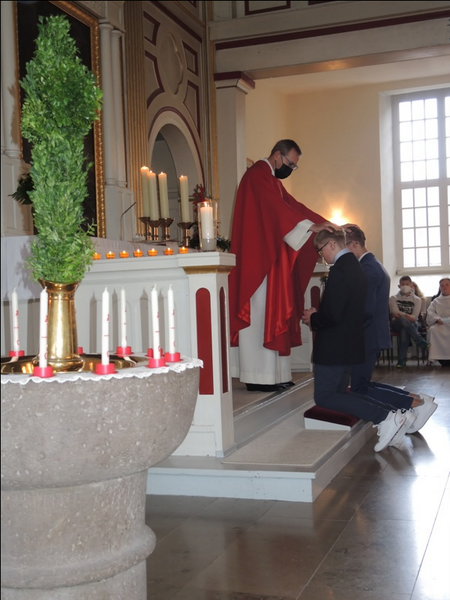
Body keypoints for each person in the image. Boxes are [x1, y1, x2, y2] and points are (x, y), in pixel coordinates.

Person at [229, 139, 339, 392]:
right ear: (277, 155)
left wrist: (325, 224)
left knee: (274, 314)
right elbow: (276, 209)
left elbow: (294, 207)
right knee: (259, 316)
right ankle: (257, 376)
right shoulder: (257, 175)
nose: (290, 169)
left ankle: (276, 374)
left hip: (271, 260)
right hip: (258, 260)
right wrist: (312, 226)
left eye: (294, 166)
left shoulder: (273, 181)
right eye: (290, 163)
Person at [302, 229, 416, 452]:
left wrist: (313, 317)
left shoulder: (340, 270)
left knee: (325, 396)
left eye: (321, 250)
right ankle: (393, 415)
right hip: (348, 344)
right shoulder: (356, 267)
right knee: (340, 393)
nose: (321, 256)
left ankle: (385, 416)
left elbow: (333, 314)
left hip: (334, 345)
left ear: (331, 244)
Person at [344, 226, 437, 429]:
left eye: (344, 248)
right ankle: (417, 399)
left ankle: (413, 406)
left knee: (359, 388)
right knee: (364, 384)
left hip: (366, 335)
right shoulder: (373, 264)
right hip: (371, 334)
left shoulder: (368, 269)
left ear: (354, 244)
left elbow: (365, 309)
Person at [389, 275, 430, 368]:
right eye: (402, 284)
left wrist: (402, 315)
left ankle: (401, 360)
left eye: (407, 284)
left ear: (411, 285)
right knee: (403, 320)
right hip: (396, 323)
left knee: (404, 330)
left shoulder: (417, 299)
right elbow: (394, 312)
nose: (405, 286)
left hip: (411, 323)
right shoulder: (393, 298)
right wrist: (406, 315)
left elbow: (414, 316)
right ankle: (419, 340)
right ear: (399, 286)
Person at [427, 277, 450, 367]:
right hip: (441, 323)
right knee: (433, 330)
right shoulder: (436, 301)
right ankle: (441, 358)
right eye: (442, 285)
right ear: (439, 287)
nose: (444, 287)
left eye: (447, 285)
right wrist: (437, 318)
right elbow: (430, 312)